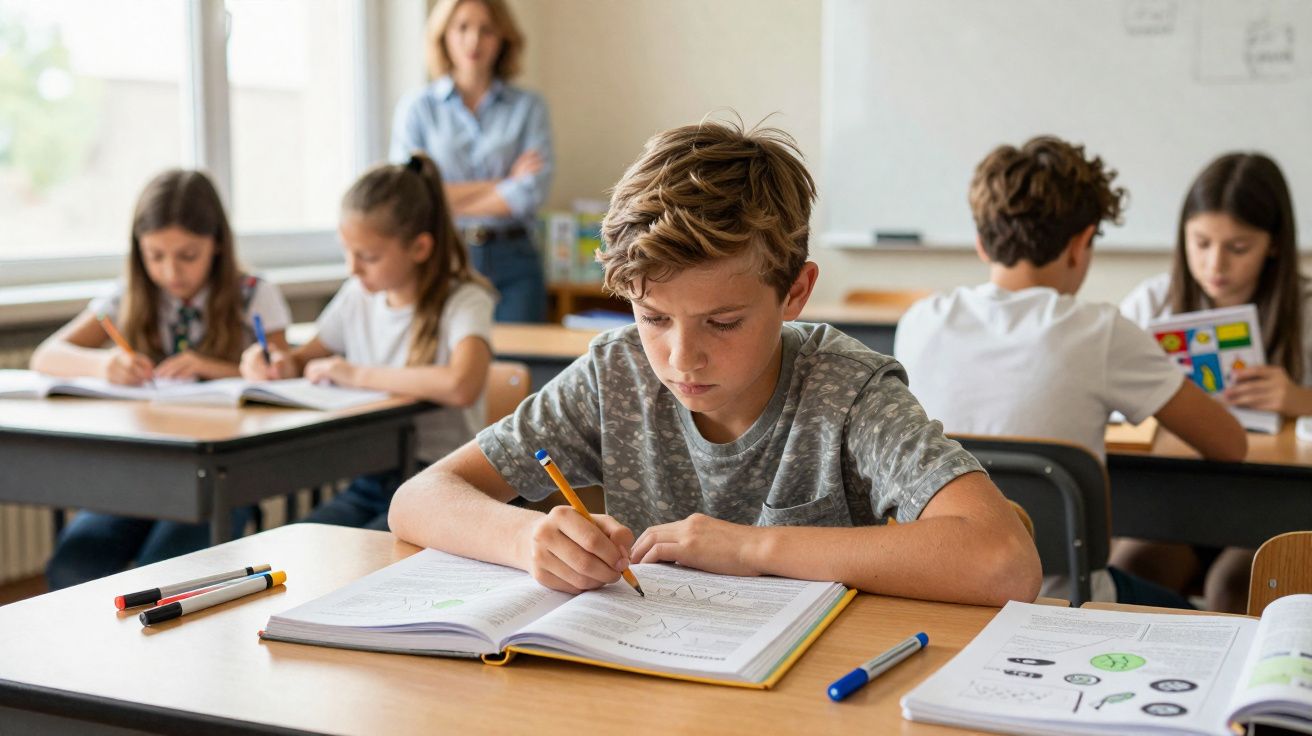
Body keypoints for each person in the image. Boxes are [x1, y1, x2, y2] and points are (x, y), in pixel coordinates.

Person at [386, 119, 1041, 605]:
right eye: (653, 317)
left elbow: (1004, 558)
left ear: (795, 293)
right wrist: (525, 540)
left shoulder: (847, 389)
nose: (680, 356)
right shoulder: (616, 374)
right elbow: (419, 498)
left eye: (722, 323)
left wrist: (752, 547)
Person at [894, 136, 1247, 607]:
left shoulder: (919, 322)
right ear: (1081, 244)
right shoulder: (1099, 332)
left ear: (981, 242)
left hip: (942, 596)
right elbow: (1229, 444)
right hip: (1068, 602)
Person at [32, 169, 291, 588]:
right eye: (155, 256)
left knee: (163, 571)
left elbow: (282, 370)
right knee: (73, 565)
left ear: (218, 245)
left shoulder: (253, 292)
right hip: (139, 473)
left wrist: (213, 366)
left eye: (187, 255)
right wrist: (104, 365)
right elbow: (47, 355)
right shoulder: (130, 295)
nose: (171, 272)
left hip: (220, 477)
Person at [242, 153, 494, 531]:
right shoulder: (357, 295)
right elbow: (302, 359)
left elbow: (462, 385)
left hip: (442, 482)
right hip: (373, 479)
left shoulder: (464, 299)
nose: (352, 268)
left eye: (368, 256)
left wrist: (353, 373)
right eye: (347, 252)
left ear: (420, 248)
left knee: (365, 560)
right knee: (301, 546)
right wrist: (273, 361)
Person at [1116, 152, 1310, 612]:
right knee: (1132, 569)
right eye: (1200, 243)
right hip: (1175, 499)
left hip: (1276, 507)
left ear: (1275, 245)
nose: (1215, 263)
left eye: (1238, 248)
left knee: (1236, 585)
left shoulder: (1304, 308)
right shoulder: (1152, 302)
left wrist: (1300, 398)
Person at [390, 0, 551, 323]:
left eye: (486, 29)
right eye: (462, 27)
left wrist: (445, 198)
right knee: (451, 365)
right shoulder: (418, 108)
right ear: (443, 36)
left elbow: (530, 193)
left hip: (515, 261)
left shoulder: (528, 107)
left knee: (519, 369)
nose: (474, 40)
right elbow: (412, 196)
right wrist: (503, 183)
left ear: (503, 37)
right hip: (445, 257)